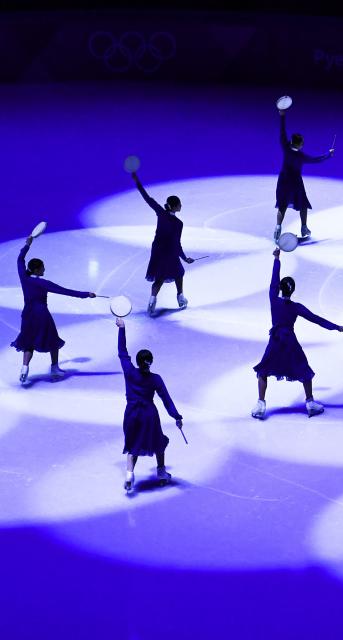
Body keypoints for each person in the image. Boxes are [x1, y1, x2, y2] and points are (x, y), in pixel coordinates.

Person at [251, 249, 343, 419]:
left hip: (275, 341)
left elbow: (273, 280)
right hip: (290, 342)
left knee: (264, 370)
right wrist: (336, 327)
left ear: (280, 288)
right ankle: (310, 403)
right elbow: (316, 319)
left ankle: (260, 404)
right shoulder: (296, 307)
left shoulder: (274, 299)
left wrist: (277, 259)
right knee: (303, 369)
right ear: (293, 290)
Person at [11, 235, 96, 385]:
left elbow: (19, 260)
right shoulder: (43, 283)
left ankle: (24, 368)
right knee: (53, 341)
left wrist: (27, 245)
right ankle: (54, 368)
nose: (44, 269)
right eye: (42, 267)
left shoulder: (24, 277)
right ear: (37, 269)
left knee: (28, 342)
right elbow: (65, 291)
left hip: (27, 315)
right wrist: (85, 295)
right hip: (42, 315)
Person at [116, 317, 185, 493]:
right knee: (158, 442)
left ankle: (130, 475)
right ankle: (161, 473)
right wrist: (176, 416)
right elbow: (166, 400)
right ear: (150, 361)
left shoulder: (130, 372)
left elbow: (122, 352)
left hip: (131, 414)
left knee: (133, 445)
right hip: (149, 415)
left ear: (138, 362)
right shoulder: (156, 379)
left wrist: (122, 328)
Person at [132, 171, 195, 317]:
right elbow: (177, 244)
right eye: (179, 204)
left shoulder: (161, 213)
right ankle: (180, 297)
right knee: (179, 273)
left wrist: (136, 181)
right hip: (170, 252)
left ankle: (152, 300)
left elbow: (147, 198)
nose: (181, 205)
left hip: (158, 251)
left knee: (160, 277)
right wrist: (185, 259)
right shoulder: (179, 223)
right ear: (174, 206)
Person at [274, 106, 334, 241]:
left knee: (282, 205)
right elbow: (316, 160)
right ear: (300, 144)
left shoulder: (286, 147)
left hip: (283, 181)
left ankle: (278, 227)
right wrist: (328, 155)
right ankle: (304, 227)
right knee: (303, 204)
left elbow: (282, 132)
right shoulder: (301, 156)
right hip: (295, 183)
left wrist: (282, 115)